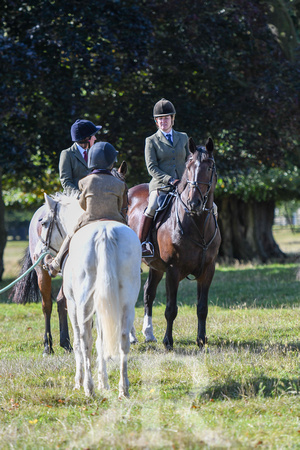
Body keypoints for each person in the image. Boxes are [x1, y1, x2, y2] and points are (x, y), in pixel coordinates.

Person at [44, 141, 127, 277]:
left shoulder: (84, 181)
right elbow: (119, 205)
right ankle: (136, 262)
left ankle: (55, 264)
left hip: (89, 218)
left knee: (71, 234)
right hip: (114, 218)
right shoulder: (119, 183)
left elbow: (83, 204)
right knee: (129, 233)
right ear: (111, 163)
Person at [139, 98, 190, 256]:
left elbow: (189, 160)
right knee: (152, 206)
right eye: (160, 119)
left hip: (184, 185)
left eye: (166, 118)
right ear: (156, 121)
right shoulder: (151, 141)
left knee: (211, 206)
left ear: (172, 119)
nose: (163, 121)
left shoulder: (183, 137)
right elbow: (152, 168)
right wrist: (170, 179)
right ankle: (143, 243)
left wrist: (186, 180)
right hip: (161, 185)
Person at [59, 119, 102, 197]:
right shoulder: (67, 154)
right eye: (93, 136)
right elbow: (66, 181)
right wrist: (80, 196)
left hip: (94, 196)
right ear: (86, 139)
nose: (95, 138)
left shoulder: (94, 152)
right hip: (75, 198)